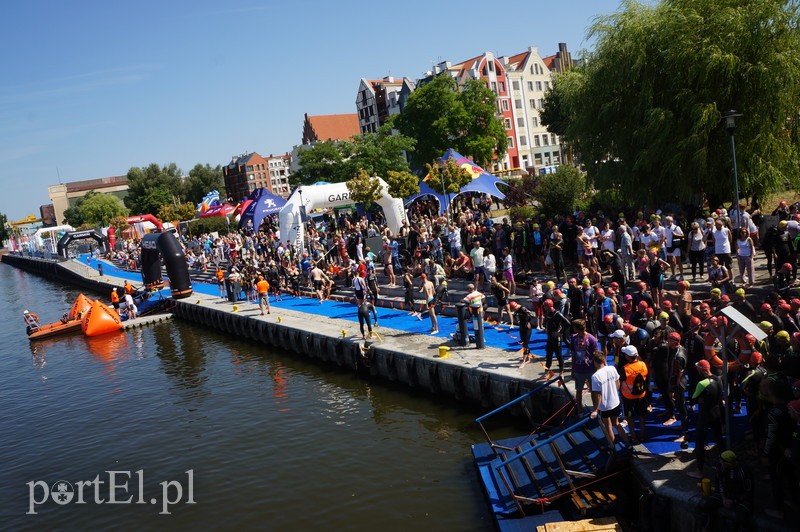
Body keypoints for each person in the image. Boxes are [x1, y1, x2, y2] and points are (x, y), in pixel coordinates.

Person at [688, 359, 725, 479]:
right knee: (719, 439)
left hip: (705, 415)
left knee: (699, 442)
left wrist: (700, 399)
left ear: (700, 369)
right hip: (717, 412)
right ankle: (724, 463)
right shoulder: (718, 379)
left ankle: (699, 470)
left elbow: (693, 397)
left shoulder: (702, 383)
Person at [590, 351, 631, 448]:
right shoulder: (612, 368)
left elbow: (598, 395)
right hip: (615, 402)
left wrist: (595, 410)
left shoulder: (595, 376)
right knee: (616, 423)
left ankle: (613, 447)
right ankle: (627, 442)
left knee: (608, 426)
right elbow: (617, 384)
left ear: (595, 362)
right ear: (604, 360)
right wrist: (613, 392)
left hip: (605, 406)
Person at [619, 345, 649, 444]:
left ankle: (633, 437)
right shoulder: (643, 365)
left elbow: (620, 380)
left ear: (628, 357)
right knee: (641, 416)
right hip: (641, 395)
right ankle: (642, 435)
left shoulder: (625, 368)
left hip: (628, 397)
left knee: (630, 417)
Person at [569, 319, 599, 412]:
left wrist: (597, 369)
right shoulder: (573, 339)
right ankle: (580, 410)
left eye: (574, 327)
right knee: (579, 391)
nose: (572, 328)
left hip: (590, 369)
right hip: (579, 369)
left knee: (594, 391)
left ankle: (595, 409)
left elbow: (596, 354)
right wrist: (573, 369)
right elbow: (573, 355)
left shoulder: (591, 339)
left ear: (577, 328)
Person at [543, 299, 571, 378]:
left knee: (559, 355)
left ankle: (561, 372)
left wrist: (560, 333)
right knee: (548, 356)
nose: (544, 307)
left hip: (557, 338)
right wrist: (546, 328)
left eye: (545, 306)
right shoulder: (548, 313)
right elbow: (547, 322)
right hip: (550, 338)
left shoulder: (557, 314)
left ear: (549, 306)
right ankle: (546, 371)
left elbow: (568, 323)